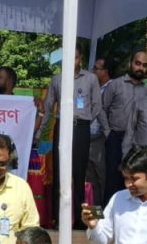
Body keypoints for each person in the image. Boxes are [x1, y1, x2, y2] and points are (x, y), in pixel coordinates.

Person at [39, 48, 109, 227]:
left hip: (80, 129)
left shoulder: (90, 78)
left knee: (79, 175)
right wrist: (41, 133)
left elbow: (96, 106)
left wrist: (84, 120)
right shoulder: (57, 79)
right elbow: (48, 107)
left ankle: (79, 219)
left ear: (80, 59)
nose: (72, 61)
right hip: (61, 127)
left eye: (75, 57)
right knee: (59, 174)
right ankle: (57, 219)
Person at [102, 51, 147, 202]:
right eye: (137, 63)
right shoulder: (115, 85)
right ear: (130, 63)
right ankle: (109, 215)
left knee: (135, 178)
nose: (140, 68)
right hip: (116, 137)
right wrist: (108, 132)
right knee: (113, 177)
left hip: (137, 142)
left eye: (144, 65)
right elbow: (102, 108)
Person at [86, 57, 111, 205]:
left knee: (102, 177)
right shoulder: (93, 87)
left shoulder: (112, 87)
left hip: (101, 138)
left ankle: (104, 215)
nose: (93, 71)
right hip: (88, 138)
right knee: (90, 179)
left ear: (105, 71)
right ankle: (95, 215)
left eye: (96, 68)